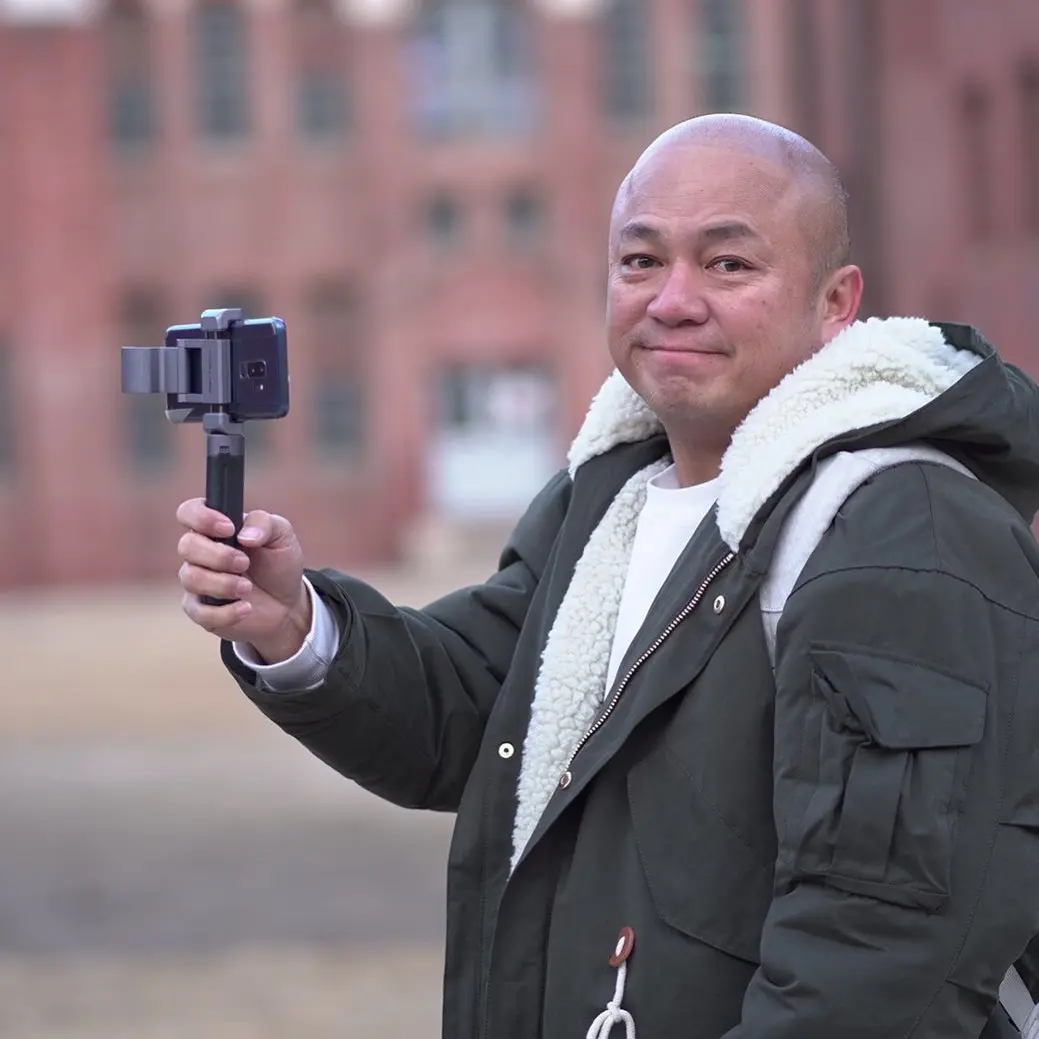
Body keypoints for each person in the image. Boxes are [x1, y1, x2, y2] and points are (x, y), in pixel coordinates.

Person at [175, 114, 1039, 1038]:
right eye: (640, 260)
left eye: (727, 264)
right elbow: (481, 707)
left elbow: (882, 948)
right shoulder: (612, 494)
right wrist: (295, 625)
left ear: (835, 302)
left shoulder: (900, 525)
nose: (672, 300)